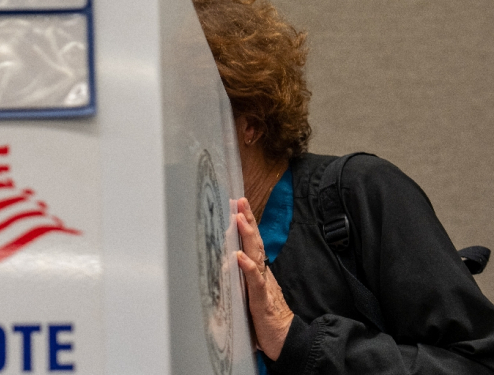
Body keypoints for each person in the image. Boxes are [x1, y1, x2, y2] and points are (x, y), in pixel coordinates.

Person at [193, 0, 494, 374]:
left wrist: (296, 340)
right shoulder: (178, 235)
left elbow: (478, 363)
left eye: (194, 110)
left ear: (250, 124)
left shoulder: (361, 194)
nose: (176, 135)